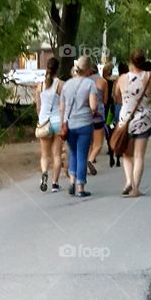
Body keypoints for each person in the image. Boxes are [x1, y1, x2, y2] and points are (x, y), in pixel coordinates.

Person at [117, 48, 151, 198]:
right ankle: (136, 189)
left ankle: (129, 181)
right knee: (139, 156)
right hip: (143, 119)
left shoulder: (122, 78)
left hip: (125, 120)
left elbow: (117, 96)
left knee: (127, 155)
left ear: (130, 61)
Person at [62, 55, 98, 198]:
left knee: (73, 153)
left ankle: (71, 182)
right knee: (82, 155)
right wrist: (92, 111)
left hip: (69, 124)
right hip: (85, 123)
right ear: (89, 69)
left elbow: (62, 107)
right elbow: (93, 106)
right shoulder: (90, 84)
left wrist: (64, 122)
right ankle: (80, 187)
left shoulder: (67, 84)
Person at [34, 57, 64, 192]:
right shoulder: (61, 85)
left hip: (44, 121)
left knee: (44, 154)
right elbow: (64, 105)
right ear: (58, 69)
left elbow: (38, 107)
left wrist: (41, 119)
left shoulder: (40, 86)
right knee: (57, 154)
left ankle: (44, 173)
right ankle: (55, 183)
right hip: (57, 121)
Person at [85, 58, 108, 175]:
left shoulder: (84, 82)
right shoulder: (103, 81)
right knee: (98, 144)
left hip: (86, 115)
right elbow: (105, 100)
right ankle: (90, 159)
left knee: (88, 142)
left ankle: (84, 163)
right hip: (98, 115)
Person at [111, 61, 129, 168]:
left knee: (118, 128)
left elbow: (114, 94)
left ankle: (118, 148)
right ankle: (125, 148)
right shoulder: (128, 79)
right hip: (127, 105)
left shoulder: (117, 81)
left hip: (118, 106)